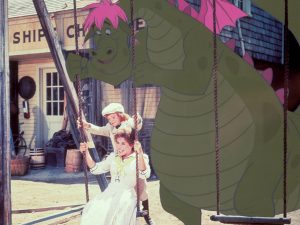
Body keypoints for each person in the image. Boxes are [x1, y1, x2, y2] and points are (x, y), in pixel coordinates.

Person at [78, 103, 155, 225]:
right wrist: (88, 126)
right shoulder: (110, 127)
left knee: (142, 191)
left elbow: (138, 124)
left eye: (113, 117)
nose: (111, 121)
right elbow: (101, 130)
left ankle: (147, 215)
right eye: (109, 119)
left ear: (120, 115)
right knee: (117, 188)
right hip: (118, 158)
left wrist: (137, 119)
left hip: (133, 157)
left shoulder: (128, 123)